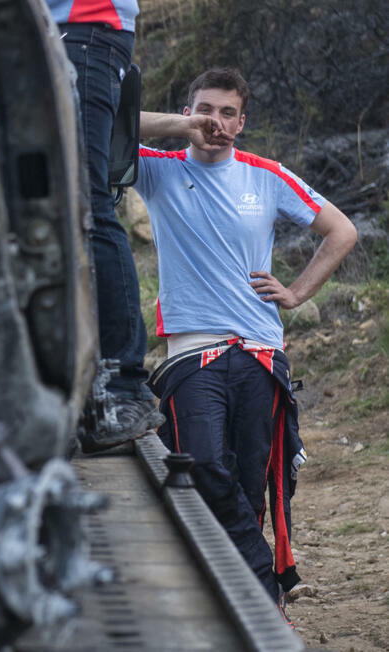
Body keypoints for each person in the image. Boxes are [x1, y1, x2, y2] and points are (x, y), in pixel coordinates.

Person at [136, 68, 357, 609]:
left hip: (261, 352)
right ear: (188, 112)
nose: (216, 121)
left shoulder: (266, 175)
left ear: (242, 121)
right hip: (192, 356)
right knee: (206, 465)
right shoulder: (156, 169)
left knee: (250, 476)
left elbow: (342, 231)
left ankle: (245, 599)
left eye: (227, 112)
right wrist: (179, 126)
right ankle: (266, 579)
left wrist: (299, 292)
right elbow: (101, 122)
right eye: (205, 109)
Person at [48, 0, 165, 452]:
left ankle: (123, 386)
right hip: (57, 32)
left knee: (88, 203)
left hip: (84, 26)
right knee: (57, 209)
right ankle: (82, 384)